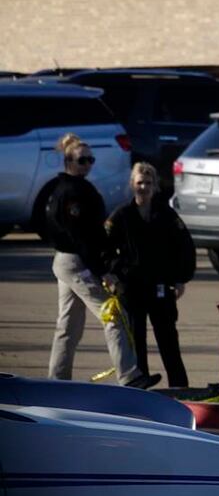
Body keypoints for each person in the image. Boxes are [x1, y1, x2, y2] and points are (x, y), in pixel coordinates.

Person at [44, 133, 158, 389]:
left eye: (90, 159)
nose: (88, 164)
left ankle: (57, 381)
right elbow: (82, 238)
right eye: (82, 160)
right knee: (113, 314)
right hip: (76, 262)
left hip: (67, 262)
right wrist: (103, 271)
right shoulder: (72, 192)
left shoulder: (65, 188)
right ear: (69, 161)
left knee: (68, 325)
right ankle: (129, 376)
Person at [106, 162, 196, 387]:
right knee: (136, 338)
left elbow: (184, 246)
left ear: (155, 186)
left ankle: (179, 386)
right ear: (131, 185)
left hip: (160, 285)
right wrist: (113, 273)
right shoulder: (121, 216)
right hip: (132, 287)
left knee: (167, 338)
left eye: (148, 183)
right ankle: (141, 383)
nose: (143, 187)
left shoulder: (166, 215)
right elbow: (104, 248)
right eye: (139, 183)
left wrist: (180, 278)